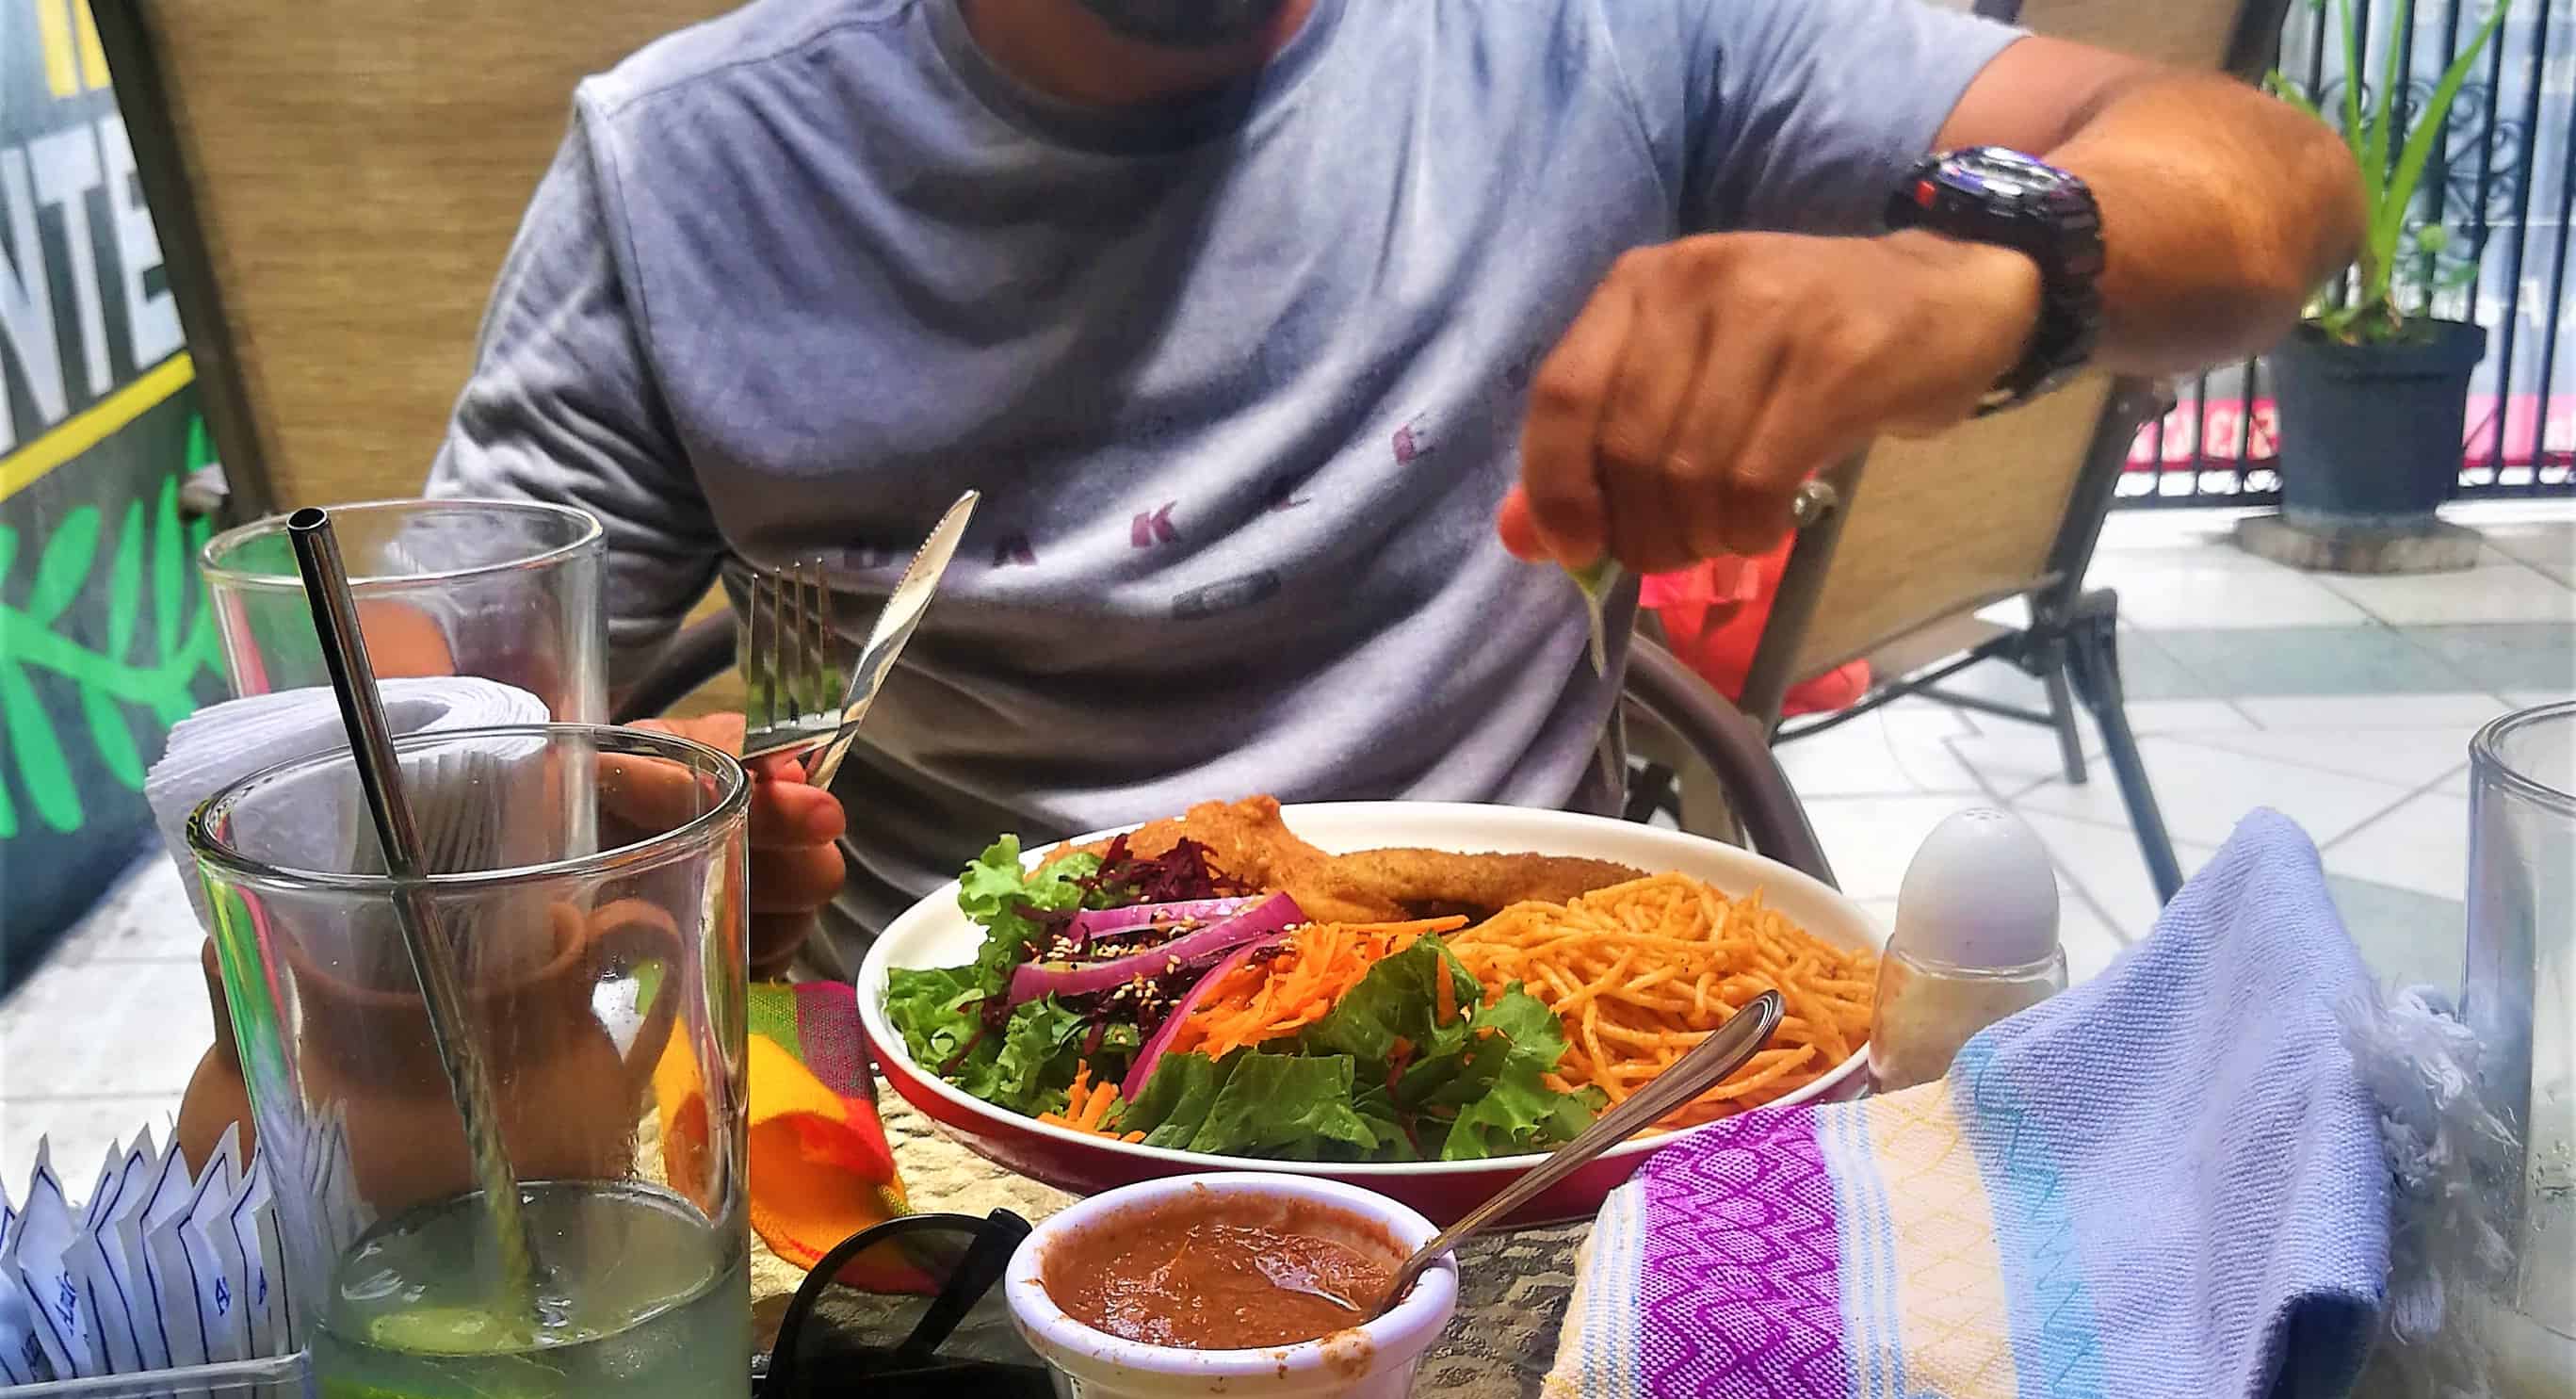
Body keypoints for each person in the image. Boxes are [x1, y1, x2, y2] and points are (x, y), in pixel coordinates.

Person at [433, 0, 2362, 968]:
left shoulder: (1596, 39)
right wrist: (587, 829)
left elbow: (2280, 188)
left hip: (1532, 1060)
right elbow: (412, 714)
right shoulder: (689, 165)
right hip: (950, 1126)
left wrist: (1968, 277)